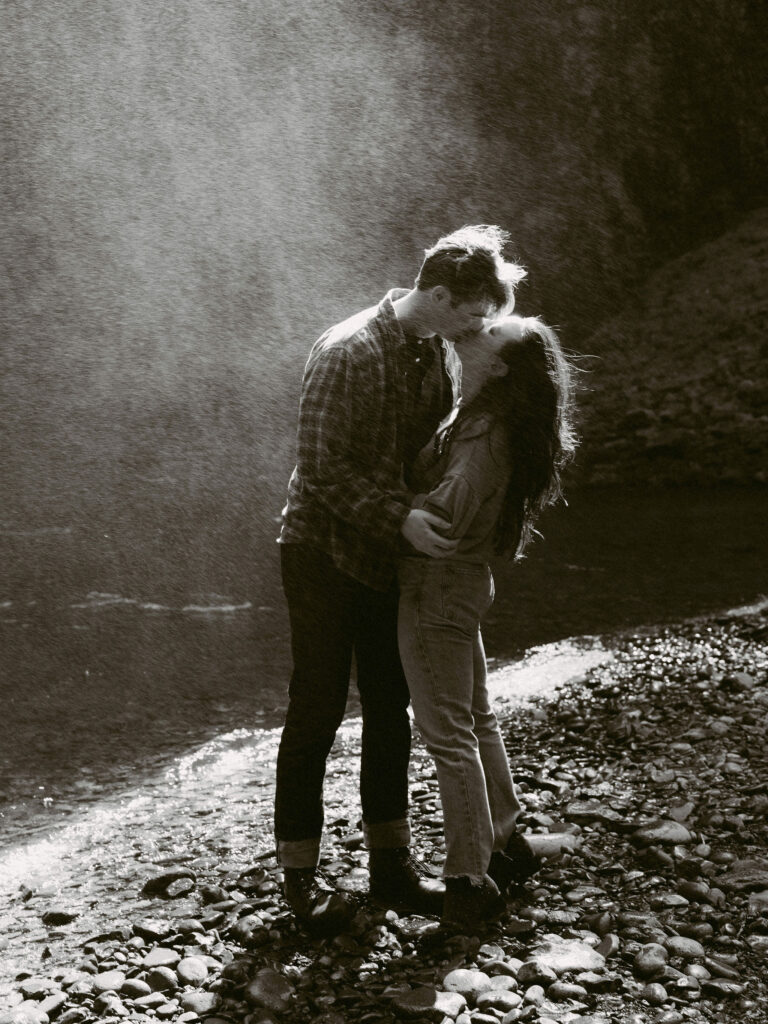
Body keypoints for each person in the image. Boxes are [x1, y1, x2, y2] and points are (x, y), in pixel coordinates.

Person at [275, 226, 527, 933]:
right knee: (317, 710)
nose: (479, 329)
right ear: (440, 295)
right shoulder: (347, 349)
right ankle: (300, 882)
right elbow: (321, 470)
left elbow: (419, 455)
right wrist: (403, 520)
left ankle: (391, 870)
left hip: (385, 555)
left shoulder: (434, 354)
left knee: (390, 712)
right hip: (321, 552)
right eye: (473, 315)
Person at [397, 314, 578, 933]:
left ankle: (469, 881)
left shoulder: (481, 432)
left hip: (438, 587)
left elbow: (444, 514)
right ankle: (505, 841)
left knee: (449, 735)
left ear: (499, 365)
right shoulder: (487, 419)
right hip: (465, 583)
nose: (482, 326)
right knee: (475, 719)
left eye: (496, 329)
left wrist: (391, 508)